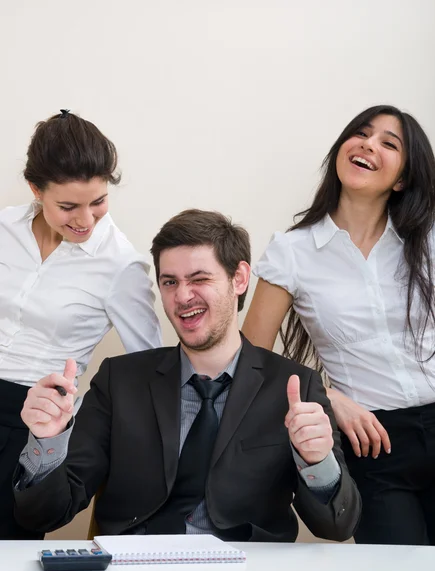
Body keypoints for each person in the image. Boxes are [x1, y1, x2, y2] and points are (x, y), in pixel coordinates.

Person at [13, 209, 360, 542]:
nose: (182, 296)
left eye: (199, 279)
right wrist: (47, 444)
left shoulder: (296, 387)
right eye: (169, 282)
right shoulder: (119, 381)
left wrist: (317, 460)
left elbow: (337, 526)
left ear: (239, 278)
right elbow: (44, 516)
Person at [243, 105, 435, 545]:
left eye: (390, 143)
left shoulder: (427, 240)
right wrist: (329, 398)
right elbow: (252, 358)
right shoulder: (292, 252)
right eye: (362, 134)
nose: (369, 144)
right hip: (373, 442)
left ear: (403, 178)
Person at [0, 110, 162, 539]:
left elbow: (150, 361)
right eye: (68, 206)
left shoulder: (120, 264)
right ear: (36, 190)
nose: (86, 220)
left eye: (99, 202)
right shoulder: (3, 228)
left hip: (29, 419)